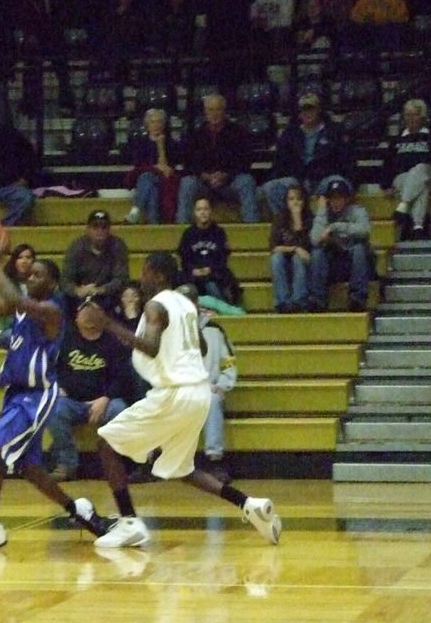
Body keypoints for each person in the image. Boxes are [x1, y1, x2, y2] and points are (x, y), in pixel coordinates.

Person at [78, 252, 282, 548]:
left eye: (146, 272)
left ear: (159, 276)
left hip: (175, 393)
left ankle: (130, 523)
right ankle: (249, 504)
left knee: (106, 444)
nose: (141, 277)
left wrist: (106, 323)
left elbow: (149, 346)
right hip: (198, 393)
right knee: (181, 468)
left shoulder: (156, 304)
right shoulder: (185, 305)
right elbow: (199, 347)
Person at [0, 245, 109, 550]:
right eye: (29, 273)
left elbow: (13, 296)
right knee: (27, 467)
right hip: (16, 394)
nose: (31, 278)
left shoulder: (52, 311)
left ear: (51, 283)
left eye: (37, 275)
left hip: (36, 396)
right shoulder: (23, 308)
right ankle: (79, 511)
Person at [45, 303, 135, 482]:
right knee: (52, 409)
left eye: (93, 310)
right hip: (71, 401)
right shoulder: (65, 339)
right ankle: (67, 464)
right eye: (84, 310)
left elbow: (123, 378)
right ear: (76, 318)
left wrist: (105, 398)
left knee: (121, 410)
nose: (88, 314)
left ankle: (115, 464)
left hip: (105, 401)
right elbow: (49, 367)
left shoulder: (113, 343)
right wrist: (56, 386)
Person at [259, 93, 355, 217]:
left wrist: (350, 181)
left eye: (311, 108)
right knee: (271, 187)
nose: (307, 112)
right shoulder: (290, 133)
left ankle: (333, 223)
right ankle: (287, 222)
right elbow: (280, 162)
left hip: (325, 179)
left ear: (319, 110)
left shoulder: (335, 132)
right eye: (303, 109)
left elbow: (346, 160)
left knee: (338, 184)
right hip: (298, 180)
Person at [175, 284, 237, 469]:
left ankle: (214, 460)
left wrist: (223, 384)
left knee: (212, 399)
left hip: (208, 388)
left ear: (196, 303)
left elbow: (228, 363)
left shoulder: (215, 330)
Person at [176, 94, 258, 223]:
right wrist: (204, 176)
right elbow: (188, 163)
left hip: (230, 183)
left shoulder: (238, 132)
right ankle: (181, 230)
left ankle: (252, 228)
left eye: (218, 109)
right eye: (210, 110)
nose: (214, 113)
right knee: (187, 183)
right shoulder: (195, 135)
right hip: (203, 184)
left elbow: (245, 161)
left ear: (224, 111)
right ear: (205, 112)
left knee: (247, 181)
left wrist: (225, 175)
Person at [383, 99, 431, 241]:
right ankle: (418, 227)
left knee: (420, 169)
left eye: (414, 114)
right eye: (407, 115)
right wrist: (386, 185)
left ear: (423, 117)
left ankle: (403, 205)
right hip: (407, 181)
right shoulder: (397, 140)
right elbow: (388, 164)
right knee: (419, 186)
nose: (410, 118)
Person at [309, 179, 372, 312]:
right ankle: (318, 300)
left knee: (359, 248)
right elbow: (314, 239)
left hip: (357, 264)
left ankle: (358, 299)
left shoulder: (357, 211)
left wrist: (335, 227)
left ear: (347, 199)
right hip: (335, 264)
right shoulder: (324, 214)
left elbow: (365, 230)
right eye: (332, 198)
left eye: (339, 198)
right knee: (317, 252)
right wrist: (321, 211)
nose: (335, 202)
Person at [177, 197, 242, 308]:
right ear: (194, 212)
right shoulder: (188, 234)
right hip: (193, 275)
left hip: (215, 274)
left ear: (211, 211)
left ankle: (225, 309)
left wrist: (210, 269)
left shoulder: (219, 232)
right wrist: (194, 270)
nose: (203, 212)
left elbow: (222, 257)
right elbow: (184, 258)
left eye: (206, 209)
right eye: (199, 209)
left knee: (212, 284)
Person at [62, 209, 130, 313]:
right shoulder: (76, 247)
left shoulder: (118, 246)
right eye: (95, 227)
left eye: (104, 227)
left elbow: (121, 279)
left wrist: (100, 290)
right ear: (88, 229)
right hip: (79, 296)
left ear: (109, 229)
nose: (100, 231)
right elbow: (65, 280)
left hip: (108, 297)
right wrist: (77, 290)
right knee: (62, 299)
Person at [124, 108, 181, 225]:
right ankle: (154, 226)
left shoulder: (171, 143)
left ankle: (135, 211)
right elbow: (138, 166)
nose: (156, 125)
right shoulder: (140, 143)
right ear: (147, 125)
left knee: (147, 178)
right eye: (153, 122)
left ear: (164, 124)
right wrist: (155, 168)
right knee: (151, 189)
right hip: (147, 181)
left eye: (159, 121)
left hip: (165, 182)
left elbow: (168, 169)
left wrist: (160, 145)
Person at [269, 184, 313, 313]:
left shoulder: (310, 219)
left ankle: (298, 302)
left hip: (305, 266)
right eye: (291, 199)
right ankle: (283, 303)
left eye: (299, 199)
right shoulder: (279, 219)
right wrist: (294, 248)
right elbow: (273, 248)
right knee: (276, 258)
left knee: (298, 258)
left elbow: (307, 249)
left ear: (304, 201)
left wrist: (298, 222)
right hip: (284, 263)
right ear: (286, 202)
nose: (295, 202)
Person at [0, 244, 36, 346]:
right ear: (14, 261)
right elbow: (1, 309)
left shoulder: (38, 283)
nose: (24, 261)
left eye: (28, 257)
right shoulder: (6, 284)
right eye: (20, 257)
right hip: (7, 330)